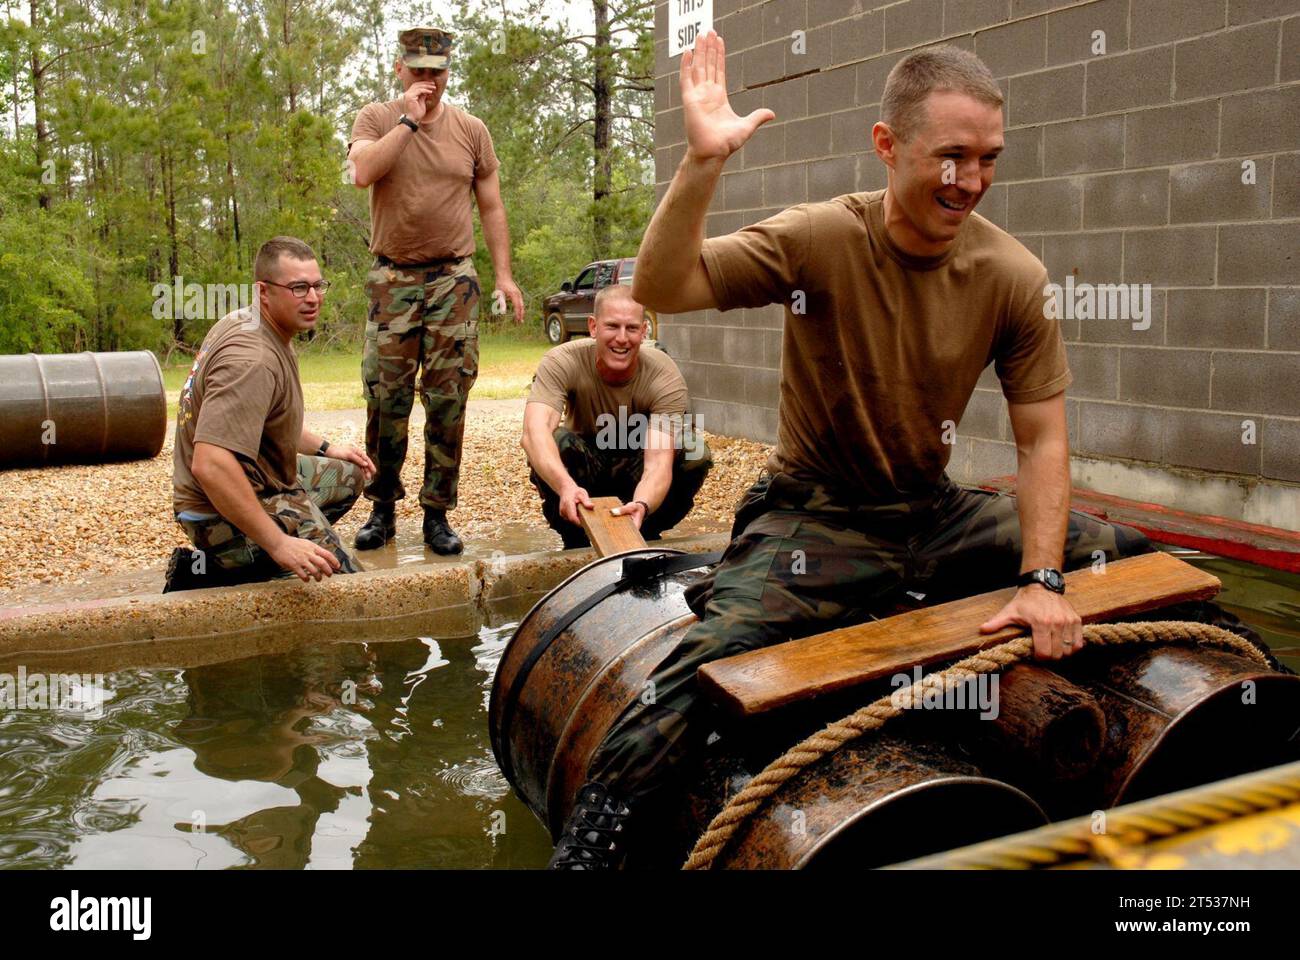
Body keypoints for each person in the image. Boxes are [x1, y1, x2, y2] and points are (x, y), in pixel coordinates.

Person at [544, 35, 1151, 869]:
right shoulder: (821, 238)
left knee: (1129, 558)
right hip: (815, 516)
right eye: (951, 157)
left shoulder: (1010, 273)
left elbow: (1041, 434)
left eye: (987, 159)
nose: (969, 181)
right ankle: (594, 842)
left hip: (932, 516)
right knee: (706, 671)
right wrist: (701, 162)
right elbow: (663, 286)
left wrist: (1043, 580)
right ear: (887, 145)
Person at [346, 25, 525, 556]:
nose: (429, 81)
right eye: (419, 70)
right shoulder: (376, 119)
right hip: (392, 278)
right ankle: (381, 509)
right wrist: (408, 122)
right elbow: (361, 173)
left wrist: (505, 275)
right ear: (399, 70)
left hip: (453, 280)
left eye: (437, 72)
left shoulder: (472, 130)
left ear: (449, 73)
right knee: (386, 397)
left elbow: (491, 206)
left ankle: (437, 515)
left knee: (449, 399)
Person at [168, 237, 375, 592]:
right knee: (353, 591)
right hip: (214, 514)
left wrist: (327, 448)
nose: (312, 298)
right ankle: (222, 565)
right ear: (264, 292)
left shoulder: (249, 321)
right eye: (297, 287)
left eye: (317, 285)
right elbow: (211, 464)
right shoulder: (252, 361)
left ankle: (263, 557)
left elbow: (262, 421)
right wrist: (281, 545)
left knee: (350, 474)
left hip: (256, 483)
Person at [522, 284, 713, 547]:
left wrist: (643, 504)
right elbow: (534, 432)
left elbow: (658, 462)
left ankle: (644, 529)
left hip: (636, 471)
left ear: (644, 331)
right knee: (554, 440)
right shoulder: (561, 360)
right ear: (593, 327)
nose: (622, 338)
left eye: (632, 328)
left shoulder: (663, 374)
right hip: (585, 473)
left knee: (693, 451)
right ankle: (576, 535)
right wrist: (566, 487)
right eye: (612, 326)